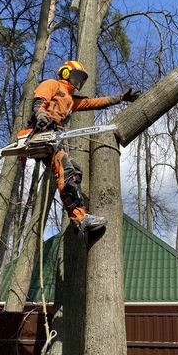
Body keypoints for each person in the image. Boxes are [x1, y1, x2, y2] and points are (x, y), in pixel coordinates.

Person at [32, 60, 139, 232]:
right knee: (66, 171)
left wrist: (120, 98)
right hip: (42, 132)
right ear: (66, 73)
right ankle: (80, 218)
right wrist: (41, 115)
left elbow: (93, 103)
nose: (78, 82)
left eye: (81, 79)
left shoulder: (71, 100)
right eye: (76, 76)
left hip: (56, 138)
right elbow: (39, 101)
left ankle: (78, 217)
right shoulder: (52, 84)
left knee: (75, 171)